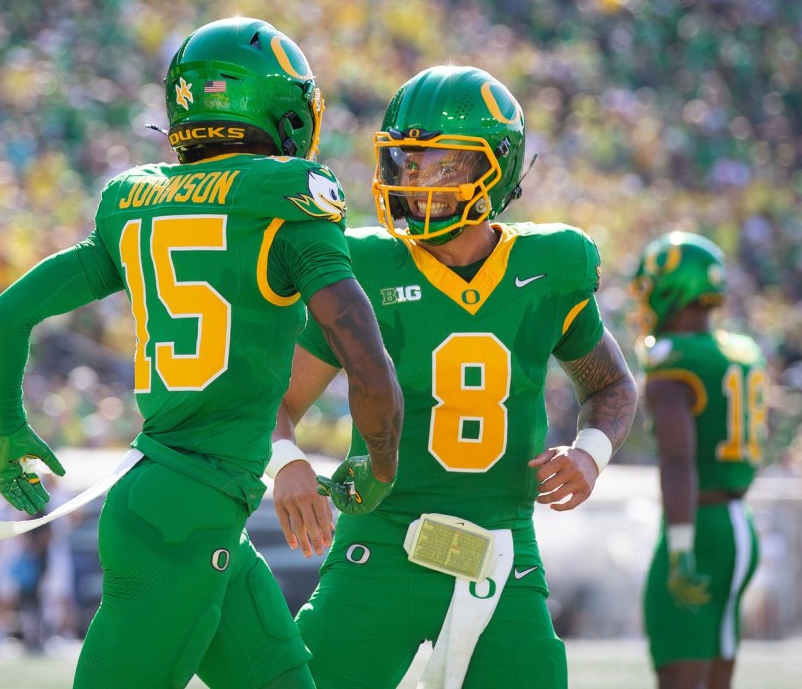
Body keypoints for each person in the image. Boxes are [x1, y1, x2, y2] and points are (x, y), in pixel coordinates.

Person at [0, 17, 402, 688]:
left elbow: (5, 317)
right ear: (281, 106)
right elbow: (368, 362)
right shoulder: (285, 198)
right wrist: (380, 463)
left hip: (183, 505)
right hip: (186, 515)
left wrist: (9, 429)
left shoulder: (134, 200)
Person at [267, 65, 638, 689]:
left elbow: (612, 385)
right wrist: (287, 464)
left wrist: (592, 452)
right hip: (380, 546)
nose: (417, 185)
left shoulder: (552, 264)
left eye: (442, 166)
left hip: (502, 551)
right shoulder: (362, 264)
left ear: (497, 167)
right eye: (407, 165)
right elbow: (275, 401)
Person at [632, 232, 765, 689]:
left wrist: (681, 543)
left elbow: (678, 462)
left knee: (679, 669)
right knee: (716, 670)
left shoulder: (676, 358)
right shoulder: (742, 351)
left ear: (672, 288)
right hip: (738, 523)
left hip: (701, 524)